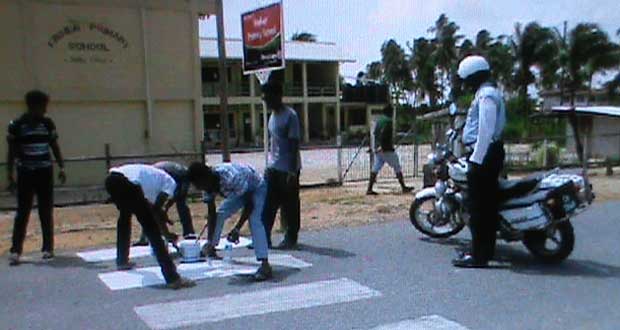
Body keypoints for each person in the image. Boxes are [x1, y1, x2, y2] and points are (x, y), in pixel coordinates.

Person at [452, 55, 506, 268]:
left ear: (474, 77)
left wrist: (476, 159)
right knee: (488, 206)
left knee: (478, 208)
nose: (466, 85)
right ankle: (486, 251)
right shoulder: (490, 93)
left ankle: (478, 255)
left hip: (484, 154)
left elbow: (486, 130)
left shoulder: (486, 96)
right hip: (488, 154)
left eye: (467, 80)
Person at [105, 164, 195, 289]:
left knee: (124, 219)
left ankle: (122, 260)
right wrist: (167, 235)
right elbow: (157, 211)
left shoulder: (153, 178)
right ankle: (172, 278)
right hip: (128, 184)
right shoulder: (170, 182)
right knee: (152, 231)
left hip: (111, 181)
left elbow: (154, 209)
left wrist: (163, 223)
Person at [6, 90, 66, 266]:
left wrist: (61, 166)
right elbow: (11, 151)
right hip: (26, 172)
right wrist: (10, 174)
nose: (45, 110)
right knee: (22, 211)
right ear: (34, 106)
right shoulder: (17, 125)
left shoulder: (47, 124)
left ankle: (48, 247)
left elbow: (54, 146)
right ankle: (16, 250)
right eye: (43, 106)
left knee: (45, 210)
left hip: (44, 172)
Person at [187, 162, 272, 281]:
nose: (201, 189)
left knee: (254, 220)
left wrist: (237, 228)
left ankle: (265, 264)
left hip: (256, 188)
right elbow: (212, 215)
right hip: (239, 191)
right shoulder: (206, 185)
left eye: (200, 185)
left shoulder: (231, 177)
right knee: (220, 214)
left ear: (206, 177)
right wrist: (210, 241)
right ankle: (211, 248)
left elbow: (249, 203)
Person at [261, 80, 302, 250]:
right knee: (268, 203)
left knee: (290, 204)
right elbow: (273, 142)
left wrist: (292, 172)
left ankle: (291, 237)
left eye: (268, 97)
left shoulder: (290, 116)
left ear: (278, 96)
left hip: (288, 168)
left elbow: (294, 144)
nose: (265, 101)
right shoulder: (272, 116)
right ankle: (264, 237)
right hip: (273, 167)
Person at [133, 161, 195, 246]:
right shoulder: (185, 176)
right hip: (158, 175)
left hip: (155, 173)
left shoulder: (179, 175)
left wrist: (165, 209)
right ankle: (188, 232)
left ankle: (145, 237)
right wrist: (164, 211)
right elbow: (179, 195)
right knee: (179, 204)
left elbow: (176, 195)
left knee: (151, 207)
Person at [367, 105, 413, 195]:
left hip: (378, 149)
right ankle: (403, 187)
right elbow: (385, 134)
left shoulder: (379, 121)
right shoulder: (388, 121)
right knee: (397, 166)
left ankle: (369, 188)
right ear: (390, 112)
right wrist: (383, 146)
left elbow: (375, 134)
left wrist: (375, 147)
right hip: (386, 149)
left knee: (375, 168)